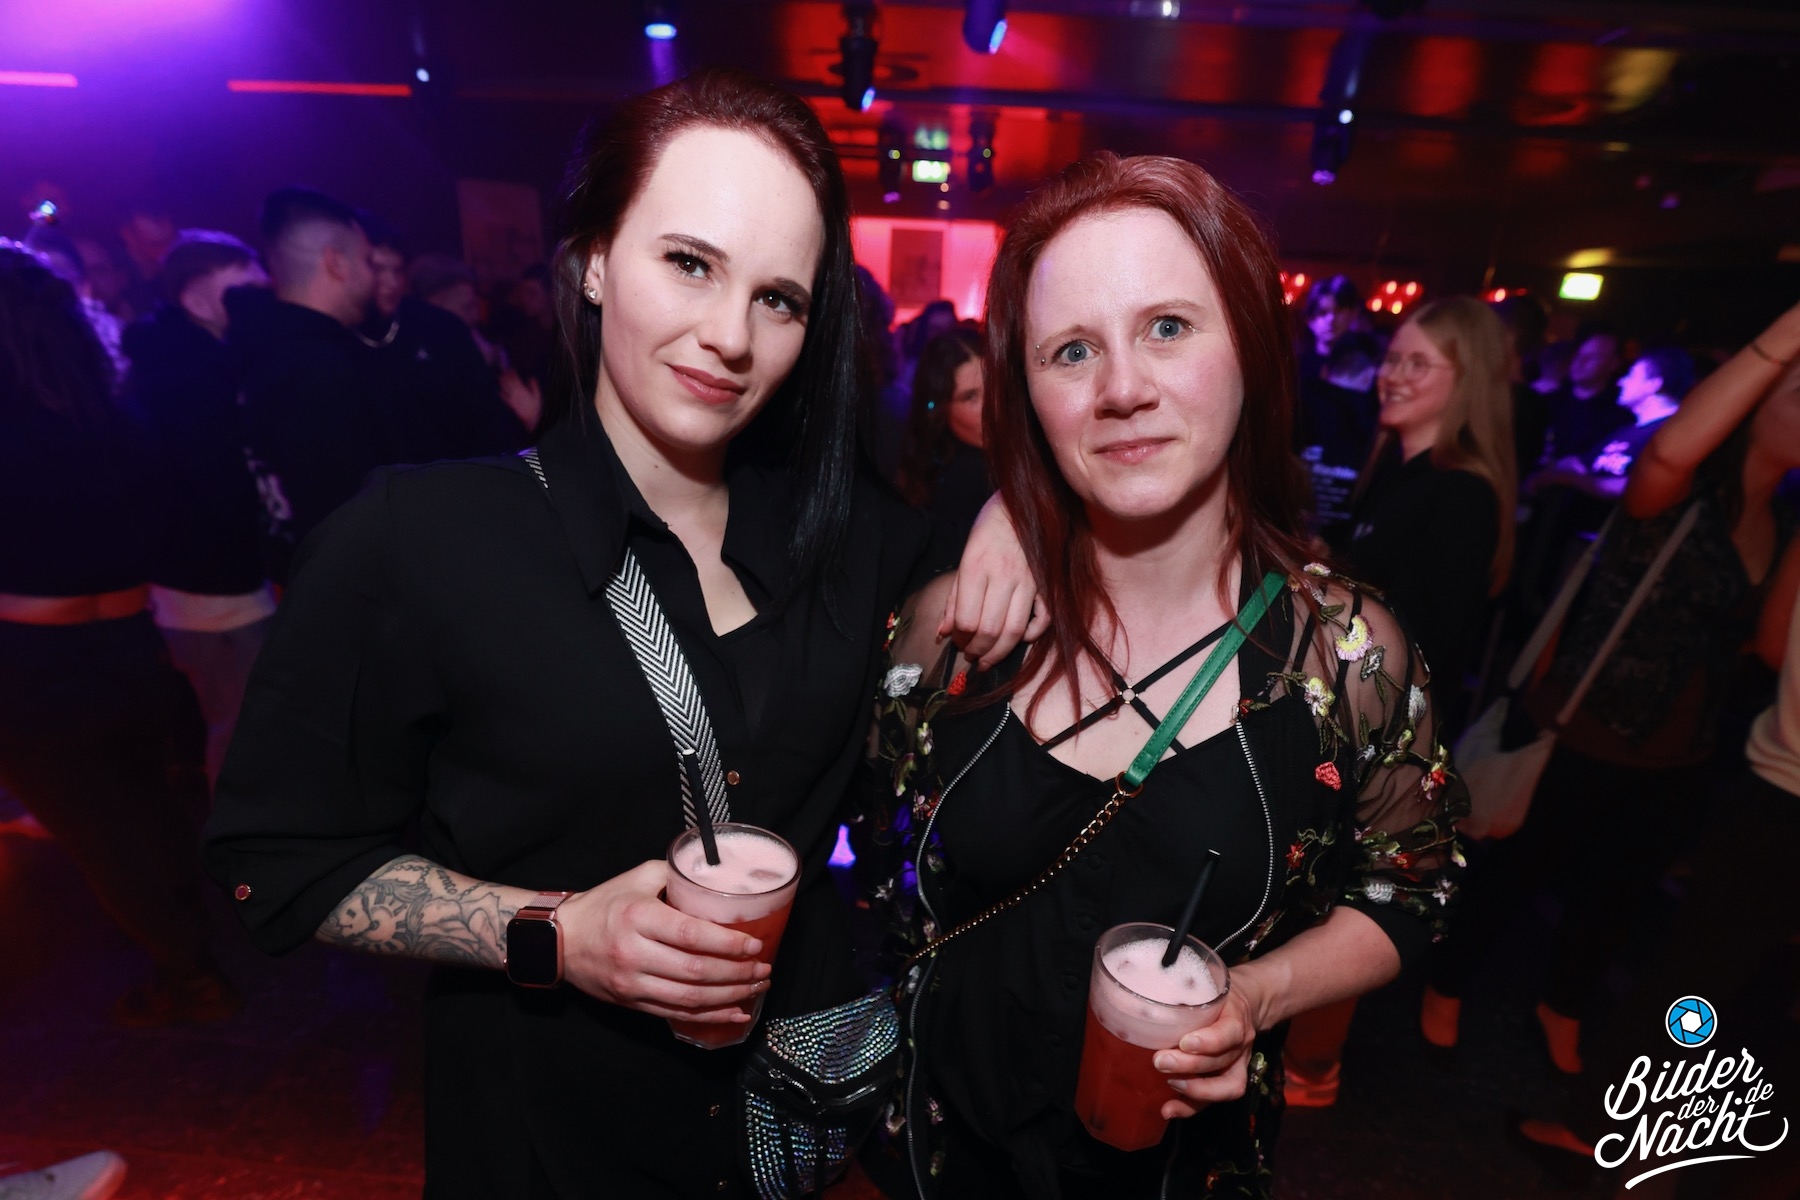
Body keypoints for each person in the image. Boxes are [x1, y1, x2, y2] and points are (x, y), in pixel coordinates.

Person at [202, 69, 1038, 1198]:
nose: (729, 336)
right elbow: (274, 864)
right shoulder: (420, 541)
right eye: (689, 263)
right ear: (595, 258)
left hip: (779, 1136)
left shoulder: (858, 541)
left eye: (778, 299)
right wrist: (555, 934)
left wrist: (1018, 510)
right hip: (551, 1140)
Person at [861, 152, 1465, 1199]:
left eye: (1169, 327)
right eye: (1072, 350)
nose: (1123, 388)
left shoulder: (1346, 655)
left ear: (1251, 351)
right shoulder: (949, 630)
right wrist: (1011, 508)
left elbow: (1412, 885)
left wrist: (1259, 995)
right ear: (1029, 395)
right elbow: (872, 870)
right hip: (939, 1158)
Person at [1421, 300, 1800, 1077]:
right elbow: (1669, 451)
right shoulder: (1680, 490)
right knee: (1521, 866)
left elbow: (1770, 646)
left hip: (1685, 747)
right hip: (1588, 721)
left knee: (1618, 895)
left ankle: (1562, 1004)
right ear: (1753, 403)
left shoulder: (1789, 524)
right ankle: (1448, 978)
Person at [0, 241, 231, 1026]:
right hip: (131, 643)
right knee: (148, 807)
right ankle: (195, 936)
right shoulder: (116, 419)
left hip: (33, 665)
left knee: (102, 835)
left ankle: (191, 976)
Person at [122, 230, 276, 787]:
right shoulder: (187, 379)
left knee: (246, 725)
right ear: (197, 300)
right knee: (247, 731)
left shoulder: (190, 364)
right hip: (211, 589)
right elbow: (216, 487)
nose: (259, 302)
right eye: (244, 291)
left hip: (206, 583)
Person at [1333, 297, 1517, 719]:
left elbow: (1423, 648)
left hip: (1384, 725)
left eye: (1418, 364)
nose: (1393, 376)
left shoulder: (1462, 495)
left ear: (1469, 381)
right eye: (1392, 359)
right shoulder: (1394, 470)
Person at [231, 186, 394, 584]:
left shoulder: (260, 351)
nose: (374, 274)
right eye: (368, 261)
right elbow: (346, 517)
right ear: (336, 263)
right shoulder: (315, 368)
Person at [355, 214, 533, 461]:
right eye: (377, 269)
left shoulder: (441, 327)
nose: (391, 282)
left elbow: (487, 420)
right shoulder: (339, 332)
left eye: (397, 270)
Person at [896, 328, 990, 553]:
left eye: (994, 385)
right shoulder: (964, 482)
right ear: (941, 411)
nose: (992, 406)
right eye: (970, 397)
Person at [1295, 330, 1380, 533]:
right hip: (1340, 546)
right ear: (1369, 375)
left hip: (1282, 534)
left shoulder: (1292, 405)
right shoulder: (1376, 426)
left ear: (1326, 369)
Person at [1297, 274, 1362, 383]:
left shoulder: (1363, 369)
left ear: (1353, 314)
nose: (1331, 319)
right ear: (1310, 319)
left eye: (1339, 311)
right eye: (1323, 313)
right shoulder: (1295, 367)